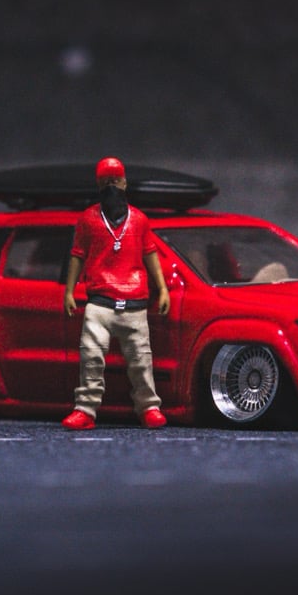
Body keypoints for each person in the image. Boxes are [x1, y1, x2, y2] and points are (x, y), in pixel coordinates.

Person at [61, 156, 170, 430]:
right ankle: (85, 410)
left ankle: (149, 408)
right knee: (91, 357)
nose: (111, 186)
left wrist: (163, 288)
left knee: (141, 359)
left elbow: (150, 254)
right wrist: (69, 290)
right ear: (98, 186)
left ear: (124, 183)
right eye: (105, 182)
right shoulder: (88, 219)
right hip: (99, 303)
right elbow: (77, 255)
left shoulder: (139, 220)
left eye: (115, 180)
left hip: (134, 302)